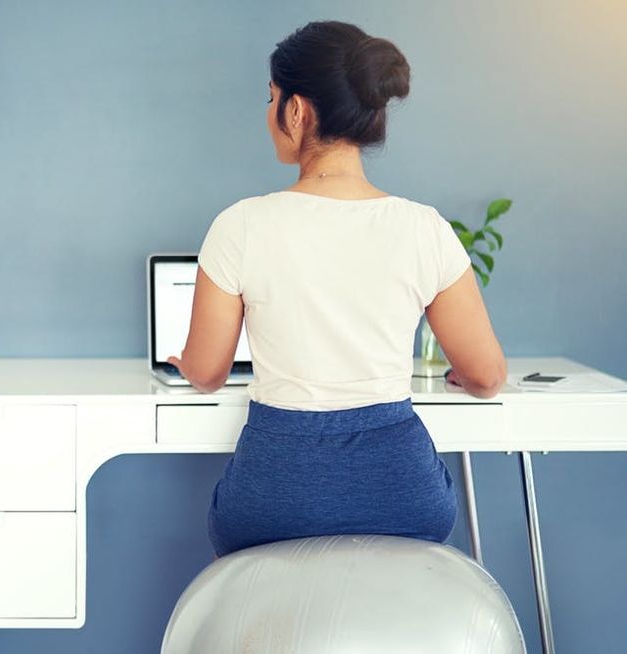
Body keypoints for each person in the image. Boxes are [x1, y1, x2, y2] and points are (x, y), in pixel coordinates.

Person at [166, 21, 507, 557]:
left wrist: (186, 363)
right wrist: (462, 373)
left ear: (297, 111)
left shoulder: (241, 225)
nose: (269, 112)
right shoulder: (425, 228)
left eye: (272, 97)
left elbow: (208, 374)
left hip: (273, 497)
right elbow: (487, 376)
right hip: (403, 495)